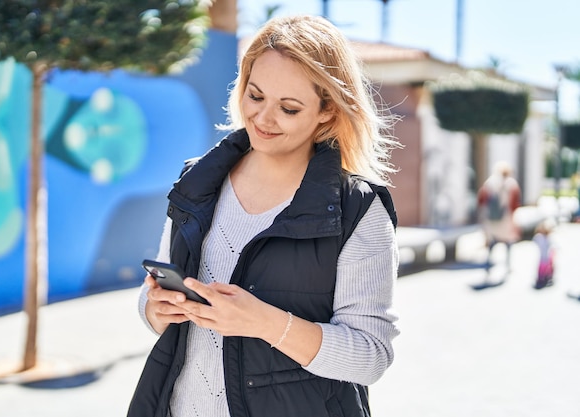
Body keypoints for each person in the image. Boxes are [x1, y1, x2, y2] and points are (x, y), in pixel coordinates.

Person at [127, 15, 401, 417]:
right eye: (255, 97)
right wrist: (155, 309)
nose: (263, 119)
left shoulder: (358, 209)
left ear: (326, 112)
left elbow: (370, 355)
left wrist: (266, 323)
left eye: (289, 108)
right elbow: (152, 300)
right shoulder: (197, 181)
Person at [476, 161, 522, 279]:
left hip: (491, 219)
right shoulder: (512, 184)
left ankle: (488, 263)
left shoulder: (490, 182)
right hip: (506, 218)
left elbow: (481, 199)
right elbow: (515, 203)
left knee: (492, 242)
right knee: (508, 242)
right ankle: (507, 264)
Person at [532, 218, 556, 289]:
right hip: (543, 256)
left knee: (548, 267)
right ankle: (541, 278)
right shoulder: (539, 237)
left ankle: (548, 277)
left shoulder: (547, 237)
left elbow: (552, 245)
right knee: (542, 268)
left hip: (548, 256)